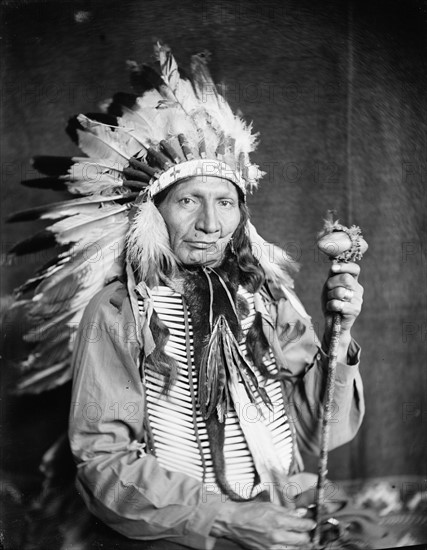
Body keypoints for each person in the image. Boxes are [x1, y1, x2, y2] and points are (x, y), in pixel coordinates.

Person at [8, 43, 364, 550]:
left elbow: (321, 433)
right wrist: (221, 519)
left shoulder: (269, 300)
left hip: (277, 525)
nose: (210, 224)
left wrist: (341, 336)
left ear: (242, 214)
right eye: (188, 201)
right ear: (155, 213)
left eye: (224, 202)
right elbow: (105, 464)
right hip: (176, 537)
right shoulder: (119, 311)